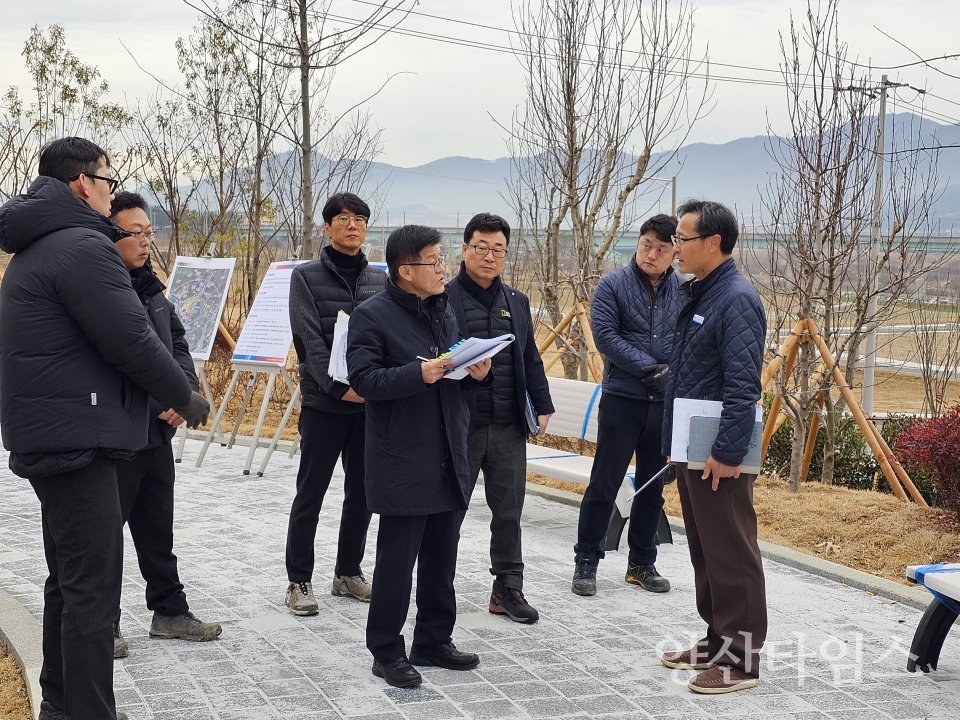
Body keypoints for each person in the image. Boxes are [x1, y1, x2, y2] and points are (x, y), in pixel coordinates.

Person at [0, 137, 209, 720]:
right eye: (107, 180)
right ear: (81, 185)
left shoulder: (40, 247)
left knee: (70, 583)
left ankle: (62, 707)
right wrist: (184, 397)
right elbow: (132, 339)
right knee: (92, 592)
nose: (111, 190)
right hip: (78, 439)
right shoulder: (82, 248)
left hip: (55, 432)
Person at [347, 225, 491, 689]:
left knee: (441, 556)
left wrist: (473, 372)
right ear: (405, 270)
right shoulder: (372, 316)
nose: (441, 269)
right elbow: (365, 380)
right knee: (397, 560)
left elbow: (450, 366)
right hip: (402, 455)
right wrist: (418, 373)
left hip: (449, 449)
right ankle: (386, 650)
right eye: (433, 261)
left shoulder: (442, 308)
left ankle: (433, 639)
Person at [658, 200, 767, 694]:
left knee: (732, 551)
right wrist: (674, 444)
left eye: (682, 238)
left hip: (719, 452)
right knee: (706, 547)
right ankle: (715, 638)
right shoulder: (702, 294)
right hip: (694, 445)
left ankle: (740, 660)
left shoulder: (736, 299)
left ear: (714, 243)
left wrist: (726, 450)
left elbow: (744, 386)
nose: (673, 247)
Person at [109, 192, 222, 657]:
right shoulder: (102, 289)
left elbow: (178, 346)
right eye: (133, 232)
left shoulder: (152, 290)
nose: (143, 241)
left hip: (157, 434)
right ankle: (105, 623)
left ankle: (169, 612)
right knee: (104, 534)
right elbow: (113, 358)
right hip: (117, 435)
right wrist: (163, 398)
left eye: (148, 232)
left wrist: (183, 394)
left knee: (158, 527)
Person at [446, 213, 554, 623]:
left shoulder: (516, 301)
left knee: (509, 512)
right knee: (449, 511)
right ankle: (439, 587)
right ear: (465, 249)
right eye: (481, 247)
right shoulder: (444, 297)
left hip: (508, 424)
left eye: (498, 250)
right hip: (461, 425)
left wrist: (542, 404)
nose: (489, 256)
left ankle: (507, 588)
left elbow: (530, 356)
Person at [284, 192, 386, 615]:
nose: (353, 225)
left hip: (369, 404)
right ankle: (298, 581)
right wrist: (337, 387)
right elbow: (309, 341)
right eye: (343, 218)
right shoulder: (305, 277)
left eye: (360, 218)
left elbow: (387, 338)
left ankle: (347, 572)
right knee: (311, 491)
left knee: (362, 491)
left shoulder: (380, 280)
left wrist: (374, 386)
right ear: (327, 227)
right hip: (326, 404)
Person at [572, 214, 682, 597]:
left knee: (653, 487)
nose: (651, 254)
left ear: (674, 253)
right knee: (604, 483)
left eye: (662, 249)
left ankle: (641, 563)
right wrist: (650, 368)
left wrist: (672, 372)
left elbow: (687, 340)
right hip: (623, 399)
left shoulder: (684, 291)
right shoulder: (612, 285)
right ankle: (586, 560)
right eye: (646, 245)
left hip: (663, 404)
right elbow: (606, 335)